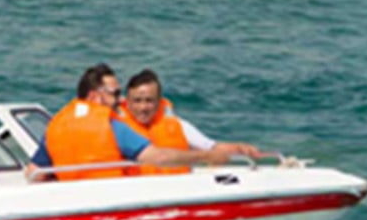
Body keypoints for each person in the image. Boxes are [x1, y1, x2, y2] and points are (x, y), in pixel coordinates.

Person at [25, 64, 257, 182]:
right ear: (96, 96)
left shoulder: (57, 126)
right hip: (120, 203)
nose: (119, 100)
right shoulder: (112, 126)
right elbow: (158, 157)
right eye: (115, 94)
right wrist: (204, 158)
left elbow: (34, 173)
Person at [114, 69, 271, 174]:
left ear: (159, 101)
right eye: (137, 101)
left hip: (179, 188)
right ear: (127, 101)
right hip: (138, 191)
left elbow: (211, 147)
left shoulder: (176, 124)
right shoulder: (118, 128)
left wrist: (239, 148)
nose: (143, 107)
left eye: (149, 101)